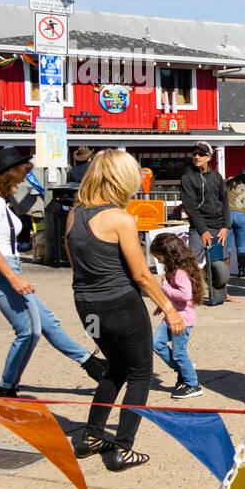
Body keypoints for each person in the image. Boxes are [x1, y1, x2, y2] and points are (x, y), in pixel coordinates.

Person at [67, 150, 186, 471]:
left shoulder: (75, 214)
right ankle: (123, 447)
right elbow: (141, 274)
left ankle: (91, 436)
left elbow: (75, 263)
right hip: (120, 303)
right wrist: (169, 309)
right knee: (140, 373)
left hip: (86, 305)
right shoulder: (120, 218)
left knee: (115, 368)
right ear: (122, 179)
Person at [0, 147, 101, 396]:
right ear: (7, 175)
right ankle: (7, 387)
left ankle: (92, 364)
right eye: (20, 174)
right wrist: (13, 277)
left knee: (48, 322)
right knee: (29, 330)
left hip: (3, 270)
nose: (23, 179)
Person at [149, 233, 205, 399]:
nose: (158, 261)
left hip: (182, 319)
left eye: (158, 257)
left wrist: (165, 286)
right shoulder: (174, 269)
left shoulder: (180, 272)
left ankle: (192, 384)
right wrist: (164, 306)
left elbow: (185, 294)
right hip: (171, 316)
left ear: (168, 253)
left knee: (179, 353)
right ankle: (184, 370)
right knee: (156, 343)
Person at [180, 141, 229, 266]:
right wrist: (203, 231)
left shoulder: (217, 176)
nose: (197, 157)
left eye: (201, 154)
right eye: (195, 154)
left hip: (218, 226)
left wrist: (226, 226)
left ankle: (216, 285)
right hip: (198, 228)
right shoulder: (188, 177)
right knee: (192, 264)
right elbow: (190, 207)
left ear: (209, 157)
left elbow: (225, 202)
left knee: (220, 265)